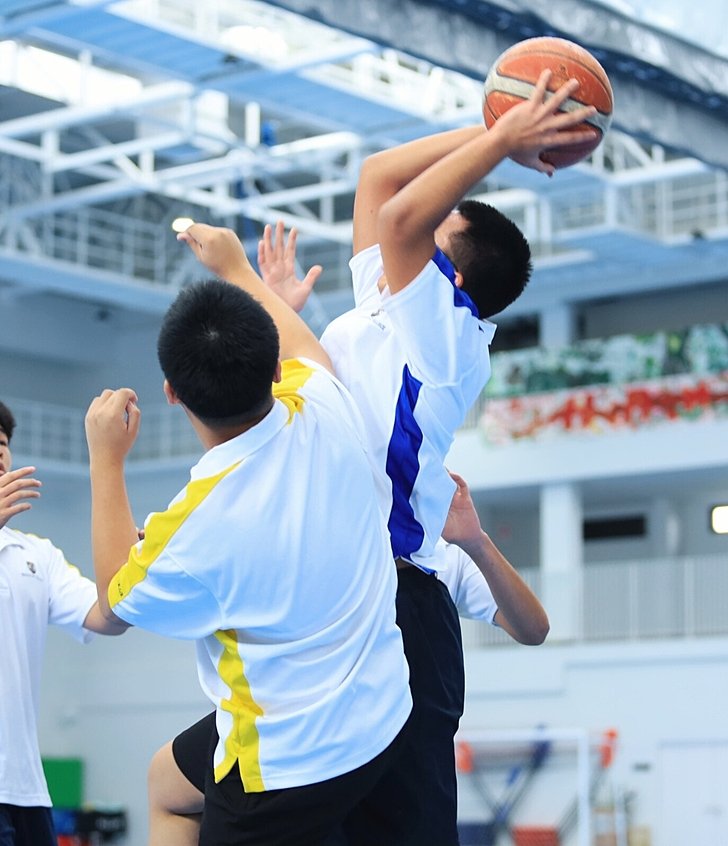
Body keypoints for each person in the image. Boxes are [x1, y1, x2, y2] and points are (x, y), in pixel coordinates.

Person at [155, 67, 583, 845]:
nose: (422, 222)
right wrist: (503, 121)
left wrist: (501, 142)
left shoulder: (449, 334)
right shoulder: (385, 306)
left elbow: (398, 213)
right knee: (176, 784)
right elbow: (379, 179)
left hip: (402, 604)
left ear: (448, 276)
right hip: (340, 581)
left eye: (436, 232)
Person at [83, 225, 412, 846]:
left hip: (289, 762)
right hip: (383, 714)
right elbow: (306, 348)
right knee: (167, 781)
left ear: (172, 393)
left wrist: (106, 460)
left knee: (190, 802)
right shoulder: (322, 403)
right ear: (271, 365)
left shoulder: (198, 527)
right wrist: (238, 267)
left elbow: (113, 603)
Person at [0, 400, 125, 846]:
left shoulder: (37, 554)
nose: (0, 449)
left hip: (26, 792)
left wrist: (141, 568)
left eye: (3, 442)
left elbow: (107, 615)